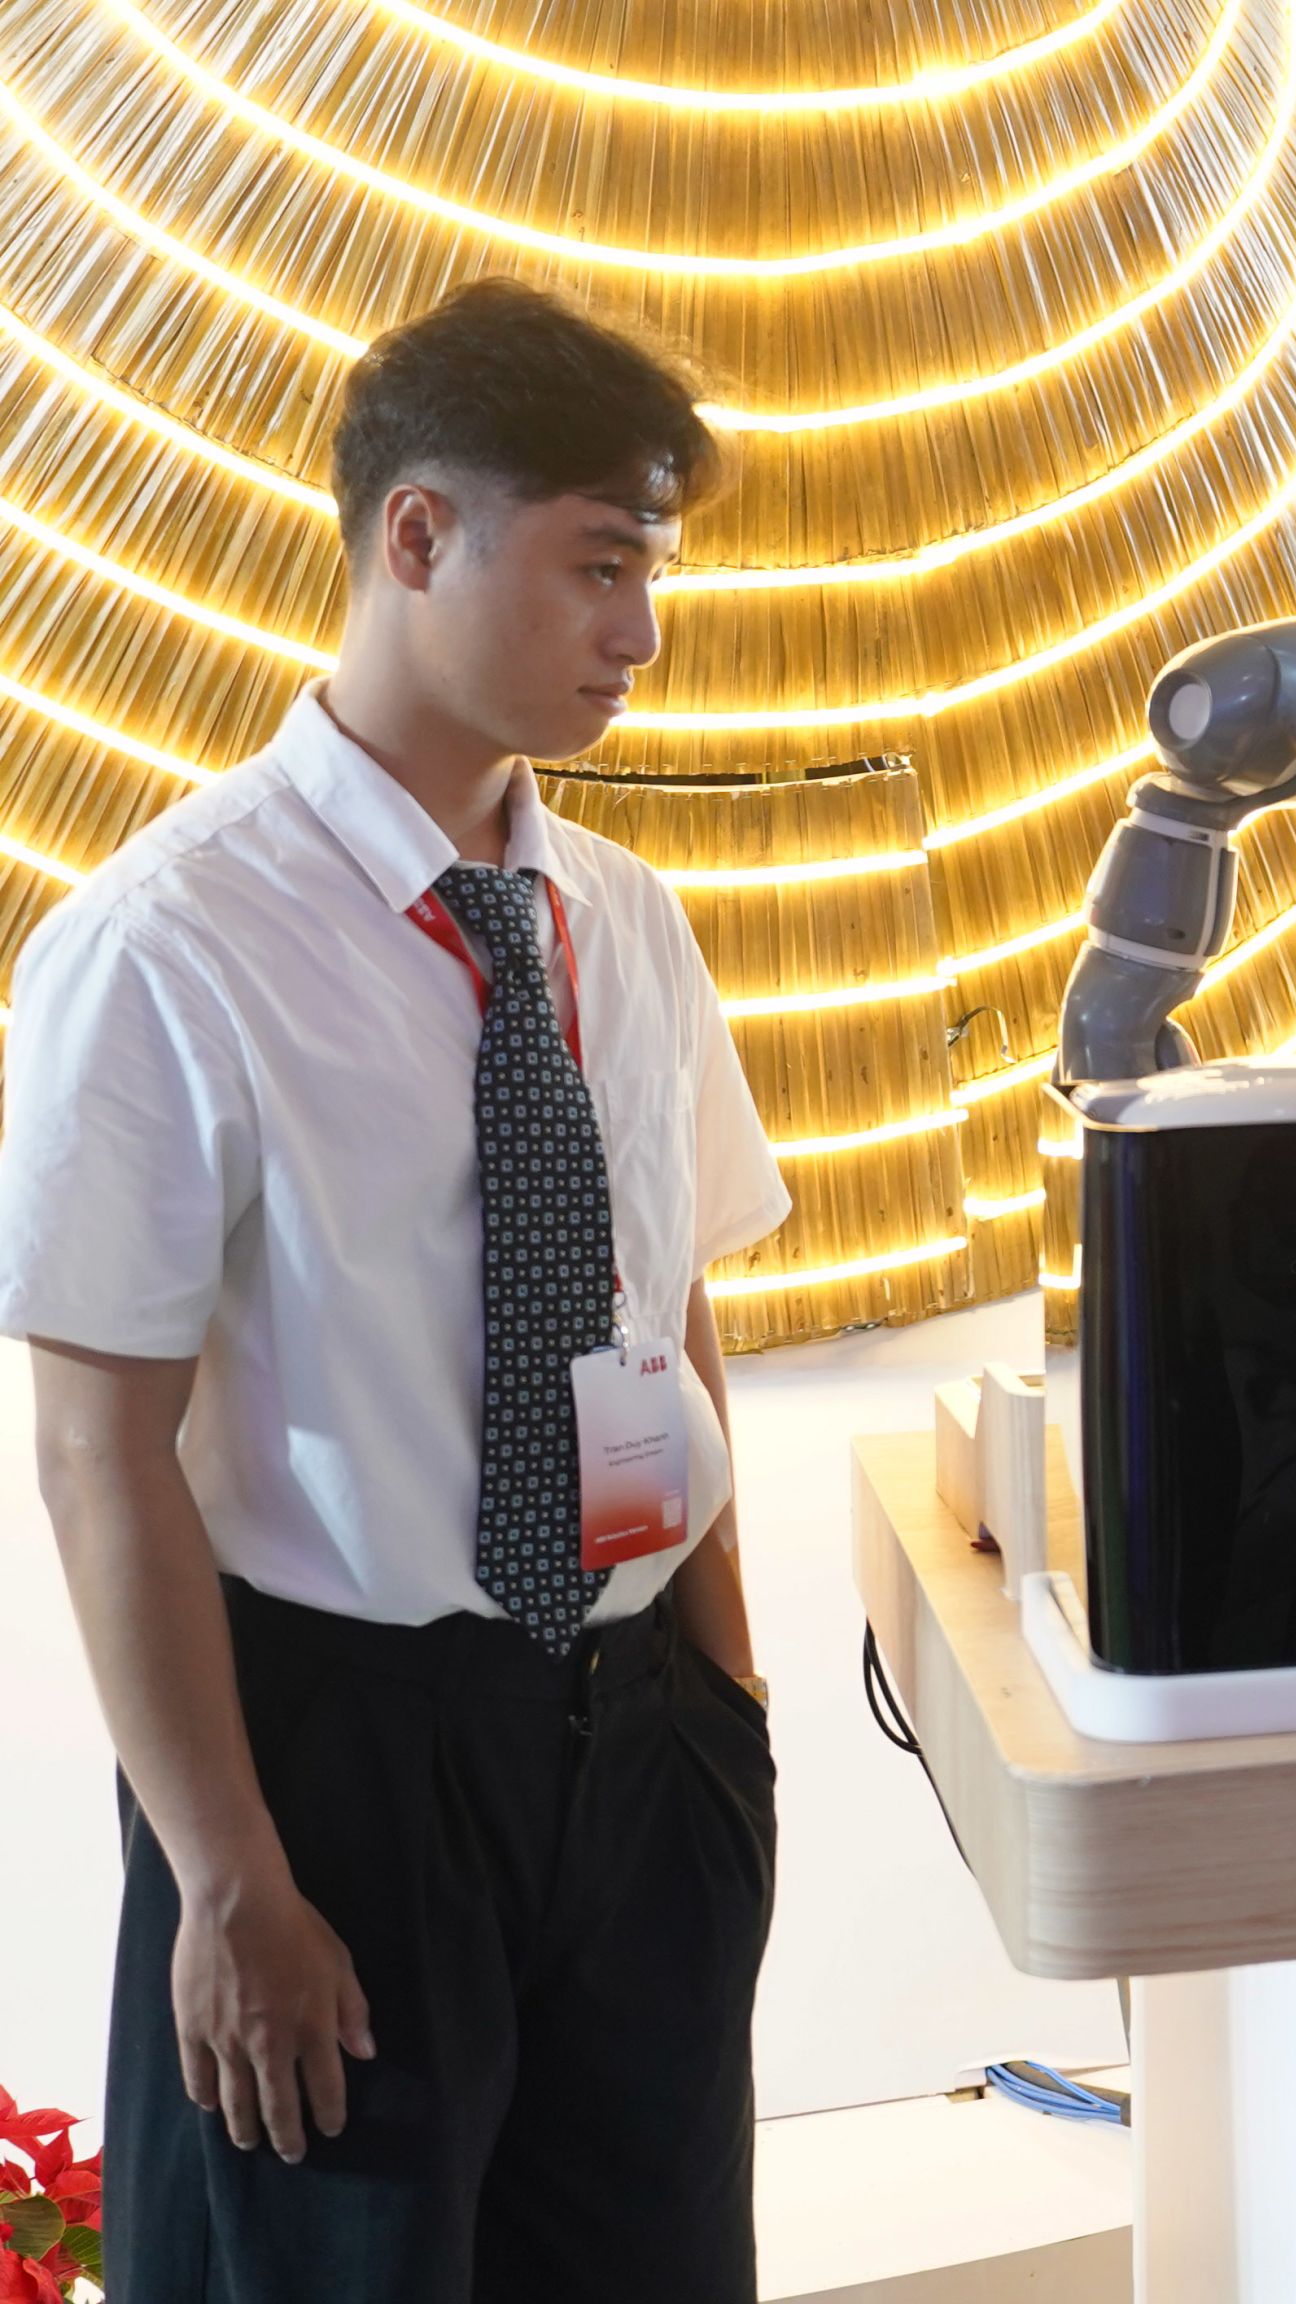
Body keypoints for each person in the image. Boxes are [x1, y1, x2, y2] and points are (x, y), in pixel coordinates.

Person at [7, 280, 791, 2299]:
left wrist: (725, 1701)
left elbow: (673, 1297)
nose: (641, 632)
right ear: (417, 536)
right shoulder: (165, 946)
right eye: (600, 565)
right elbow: (97, 1452)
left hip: (638, 1734)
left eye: (653, 573)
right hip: (345, 1756)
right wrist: (225, 1873)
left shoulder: (623, 914)